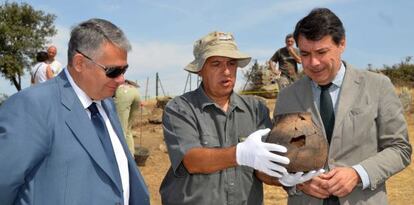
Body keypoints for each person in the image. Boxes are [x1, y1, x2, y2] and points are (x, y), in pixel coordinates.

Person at [159, 31, 321, 205]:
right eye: (216, 64)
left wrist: (284, 177)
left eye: (231, 63)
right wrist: (240, 154)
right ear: (200, 69)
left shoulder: (256, 109)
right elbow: (192, 160)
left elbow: (261, 168)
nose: (227, 71)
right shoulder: (180, 108)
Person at [0, 18, 149, 205]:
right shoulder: (32, 106)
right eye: (113, 71)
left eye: (124, 69)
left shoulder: (107, 103)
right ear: (80, 63)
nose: (121, 79)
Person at [273, 8, 412, 205]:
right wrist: (299, 182)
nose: (313, 63)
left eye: (322, 52)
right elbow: (278, 157)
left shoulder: (378, 86)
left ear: (342, 44)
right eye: (304, 54)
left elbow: (400, 149)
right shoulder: (287, 96)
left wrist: (358, 173)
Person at [114, 79, 141, 155]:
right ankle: (131, 157)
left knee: (121, 129)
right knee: (128, 129)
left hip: (123, 91)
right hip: (134, 91)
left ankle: (122, 157)